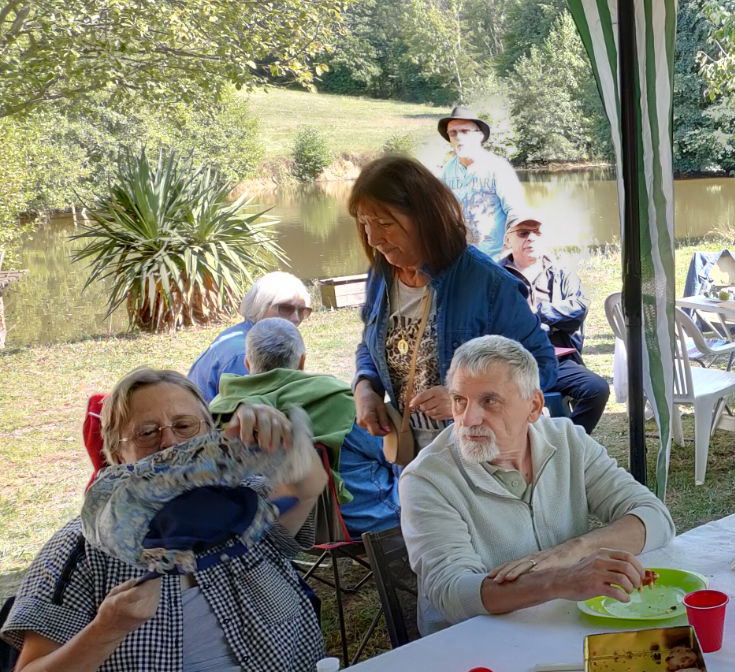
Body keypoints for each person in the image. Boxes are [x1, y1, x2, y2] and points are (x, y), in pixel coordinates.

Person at [1, 369, 325, 672]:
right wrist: (106, 630)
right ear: (118, 457)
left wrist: (287, 444)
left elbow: (306, 485)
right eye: (147, 432)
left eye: (185, 425)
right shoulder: (83, 549)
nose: (170, 441)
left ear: (210, 432)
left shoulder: (242, 511)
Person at [399, 336, 674, 635]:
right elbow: (452, 593)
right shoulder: (427, 478)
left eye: (489, 401)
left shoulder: (567, 440)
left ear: (533, 407)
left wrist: (571, 553)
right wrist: (560, 579)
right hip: (476, 645)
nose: (468, 418)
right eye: (459, 400)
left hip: (564, 623)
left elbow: (655, 517)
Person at [349, 155, 558, 459]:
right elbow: (369, 344)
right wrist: (365, 388)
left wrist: (466, 399)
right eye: (365, 223)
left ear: (425, 218)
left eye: (384, 223)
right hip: (412, 462)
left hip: (481, 459)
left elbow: (541, 366)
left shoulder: (488, 283)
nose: (374, 238)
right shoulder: (381, 276)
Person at [209, 318, 400, 537]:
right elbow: (392, 455)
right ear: (301, 361)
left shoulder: (218, 412)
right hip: (366, 519)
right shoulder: (339, 400)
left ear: (247, 364)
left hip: (277, 529)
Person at [501, 213, 610, 434]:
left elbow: (579, 307)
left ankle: (567, 442)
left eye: (537, 232)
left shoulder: (562, 272)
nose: (531, 238)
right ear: (507, 240)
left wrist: (538, 314)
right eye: (523, 233)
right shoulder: (495, 275)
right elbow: (492, 319)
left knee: (596, 389)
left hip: (555, 359)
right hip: (510, 362)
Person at [187, 271, 313, 399]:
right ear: (260, 305)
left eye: (303, 311)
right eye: (286, 308)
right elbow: (260, 407)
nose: (296, 318)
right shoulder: (248, 351)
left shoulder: (240, 333)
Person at [435, 106, 530, 259]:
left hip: (495, 259)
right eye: (453, 133)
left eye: (465, 131)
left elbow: (516, 211)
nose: (458, 137)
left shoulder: (498, 168)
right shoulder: (446, 171)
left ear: (479, 135)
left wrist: (509, 251)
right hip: (461, 261)